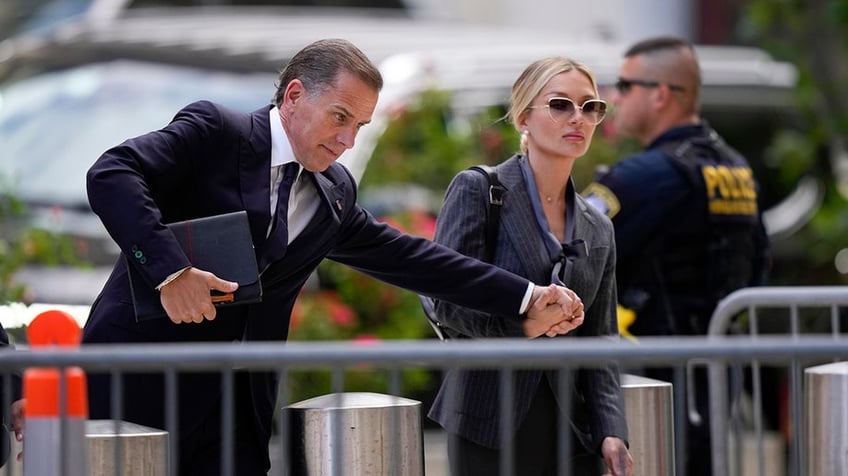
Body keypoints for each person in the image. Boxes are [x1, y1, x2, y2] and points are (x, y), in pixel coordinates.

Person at [82, 38, 584, 476]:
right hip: (139, 385)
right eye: (340, 117)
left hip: (236, 414)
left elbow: (412, 258)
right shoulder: (218, 131)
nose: (347, 141)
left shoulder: (335, 190)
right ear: (295, 95)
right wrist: (171, 271)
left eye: (360, 125)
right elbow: (113, 173)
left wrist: (525, 295)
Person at [427, 57, 632, 476]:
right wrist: (524, 324)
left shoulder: (598, 227)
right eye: (560, 105)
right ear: (523, 117)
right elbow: (444, 301)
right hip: (488, 418)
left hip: (573, 429)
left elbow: (601, 337)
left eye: (591, 107)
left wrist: (612, 428)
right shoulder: (480, 190)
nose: (578, 117)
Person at [583, 36, 770, 476]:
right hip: (718, 367)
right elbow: (760, 264)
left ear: (661, 94)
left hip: (656, 374)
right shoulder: (736, 168)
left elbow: (569, 252)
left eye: (625, 85)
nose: (614, 97)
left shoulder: (645, 177)